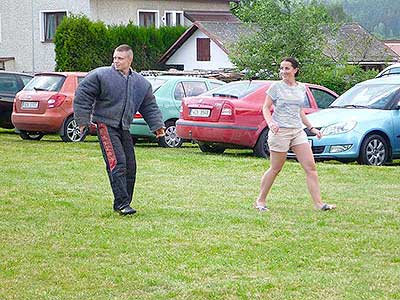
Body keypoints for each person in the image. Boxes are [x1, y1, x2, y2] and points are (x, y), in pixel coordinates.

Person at [74, 44, 165, 215]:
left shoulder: (141, 83)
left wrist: (158, 127)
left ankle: (125, 202)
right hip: (105, 125)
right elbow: (83, 95)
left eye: (120, 58)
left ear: (129, 60)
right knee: (118, 162)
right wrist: (83, 121)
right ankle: (122, 204)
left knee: (131, 166)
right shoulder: (100, 75)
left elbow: (150, 107)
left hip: (123, 127)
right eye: (114, 57)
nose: (116, 61)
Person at [254, 57, 336, 212]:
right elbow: (266, 108)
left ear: (295, 70)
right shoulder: (276, 87)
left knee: (310, 167)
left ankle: (319, 204)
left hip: (297, 131)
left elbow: (299, 111)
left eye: (287, 68)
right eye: (281, 68)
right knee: (276, 168)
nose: (283, 71)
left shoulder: (301, 88)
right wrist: (271, 123)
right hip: (280, 132)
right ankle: (260, 201)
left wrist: (312, 128)